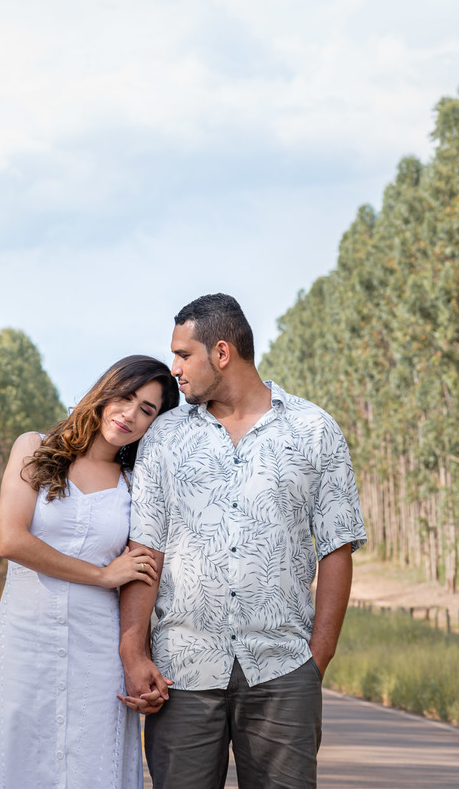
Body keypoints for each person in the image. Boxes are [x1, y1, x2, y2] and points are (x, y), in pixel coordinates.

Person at [118, 294, 367, 789]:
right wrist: (134, 649)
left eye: (184, 355)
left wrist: (316, 660)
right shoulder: (164, 438)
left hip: (282, 670)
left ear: (222, 353)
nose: (175, 370)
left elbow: (337, 548)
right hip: (182, 674)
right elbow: (146, 550)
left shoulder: (314, 430)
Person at [0, 355, 180, 789]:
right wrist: (103, 575)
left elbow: (145, 570)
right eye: (126, 397)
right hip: (25, 640)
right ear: (105, 392)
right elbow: (11, 540)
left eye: (147, 410)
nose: (130, 414)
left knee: (91, 763)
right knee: (20, 759)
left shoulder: (136, 483)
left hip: (98, 649)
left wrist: (139, 653)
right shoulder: (35, 447)